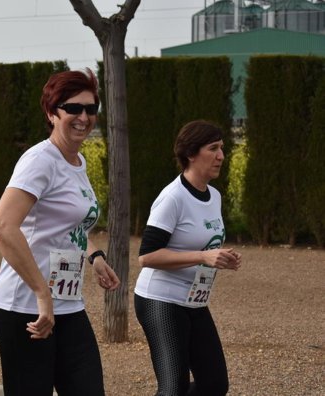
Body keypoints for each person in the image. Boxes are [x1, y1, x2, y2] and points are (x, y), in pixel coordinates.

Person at [0, 68, 120, 396]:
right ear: (51, 113)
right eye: (73, 108)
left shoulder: (77, 162)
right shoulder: (40, 161)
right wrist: (41, 294)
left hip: (68, 304)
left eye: (91, 109)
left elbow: (70, 224)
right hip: (26, 307)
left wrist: (96, 257)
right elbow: (3, 227)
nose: (84, 117)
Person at [134, 120, 242, 396]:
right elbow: (146, 256)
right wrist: (203, 256)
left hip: (194, 300)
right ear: (191, 154)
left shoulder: (214, 196)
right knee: (173, 388)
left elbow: (202, 243)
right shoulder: (172, 197)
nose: (221, 156)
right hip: (160, 300)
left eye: (222, 148)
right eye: (214, 148)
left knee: (214, 385)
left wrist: (220, 257)